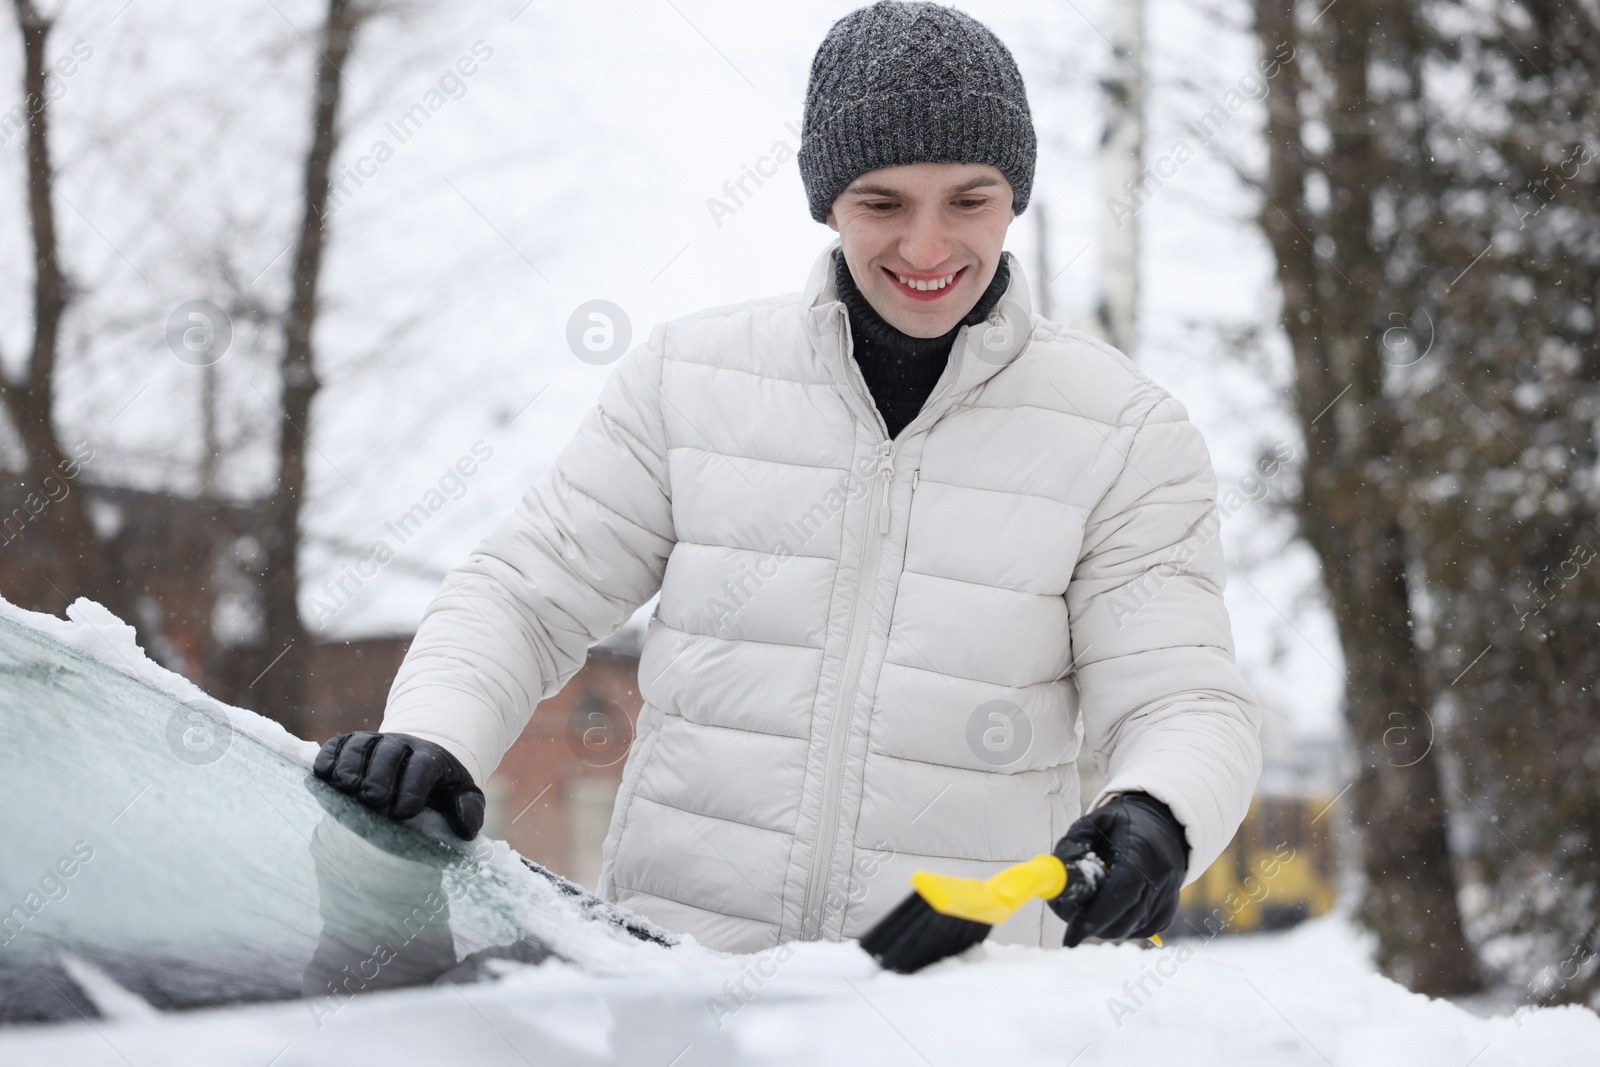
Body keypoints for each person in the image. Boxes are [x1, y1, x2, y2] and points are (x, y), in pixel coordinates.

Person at [314, 0, 1262, 955]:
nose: (927, 248)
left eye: (968, 200)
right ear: (826, 200)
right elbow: (523, 595)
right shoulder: (693, 381)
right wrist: (436, 735)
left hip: (956, 1006)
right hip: (678, 989)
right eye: (882, 203)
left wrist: (1159, 809)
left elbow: (1181, 700)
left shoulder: (1125, 434)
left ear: (1015, 197)